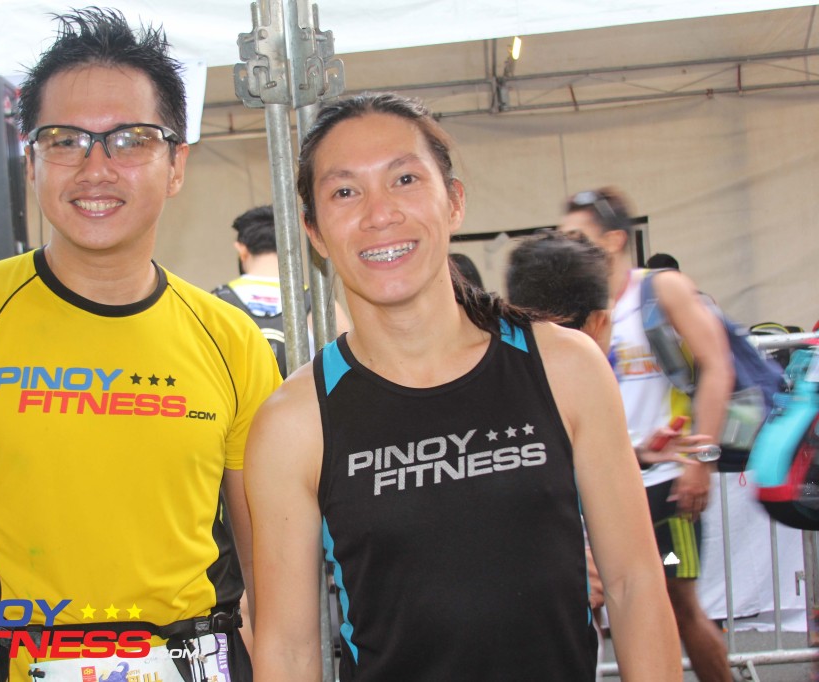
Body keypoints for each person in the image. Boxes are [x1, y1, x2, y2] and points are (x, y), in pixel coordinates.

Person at [0, 9, 280, 682]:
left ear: (176, 165)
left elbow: (272, 571)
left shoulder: (230, 337)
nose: (96, 167)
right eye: (64, 140)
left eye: (131, 140)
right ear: (31, 162)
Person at [246, 93, 681, 681]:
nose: (379, 213)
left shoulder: (564, 367)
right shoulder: (294, 422)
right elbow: (289, 649)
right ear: (315, 231)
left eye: (404, 179)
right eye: (345, 191)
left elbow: (633, 584)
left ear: (453, 201)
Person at [561, 187, 735, 682]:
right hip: (595, 489)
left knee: (679, 604)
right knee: (584, 609)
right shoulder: (572, 302)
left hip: (663, 490)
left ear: (614, 240)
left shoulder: (660, 290)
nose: (568, 246)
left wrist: (701, 459)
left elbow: (717, 366)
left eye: (578, 236)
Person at [213, 204, 350, 377]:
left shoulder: (217, 300)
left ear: (241, 249)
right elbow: (348, 365)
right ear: (288, 246)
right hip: (303, 393)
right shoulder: (318, 303)